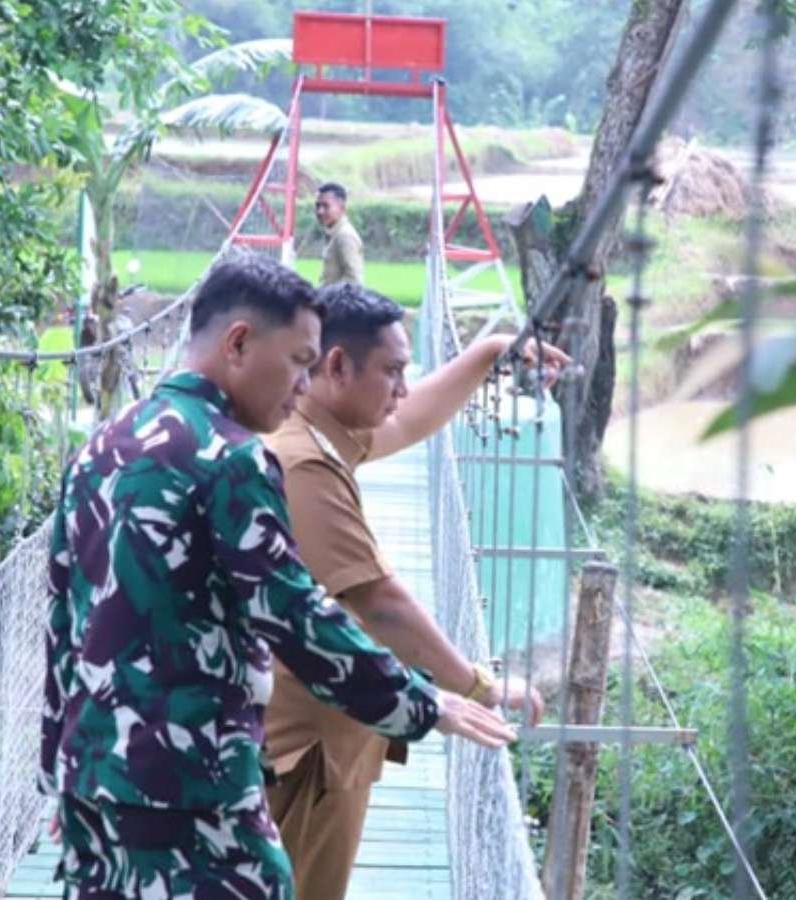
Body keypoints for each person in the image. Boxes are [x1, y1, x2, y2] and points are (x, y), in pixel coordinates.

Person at [38, 255, 516, 900]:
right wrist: (423, 702)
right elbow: (295, 617)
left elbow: (65, 622)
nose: (303, 386)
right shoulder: (233, 457)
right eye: (297, 362)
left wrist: (58, 769)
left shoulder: (104, 444)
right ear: (238, 343)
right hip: (194, 784)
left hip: (92, 778)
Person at [264, 283, 569, 899]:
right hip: (308, 753)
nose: (403, 388)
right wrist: (477, 686)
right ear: (337, 366)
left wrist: (492, 352)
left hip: (325, 732)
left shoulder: (318, 431)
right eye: (393, 371)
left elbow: (407, 419)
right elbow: (381, 602)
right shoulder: (305, 463)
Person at [315, 182, 364, 288]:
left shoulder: (345, 236)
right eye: (318, 206)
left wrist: (330, 297)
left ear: (342, 208)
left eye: (326, 206)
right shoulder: (334, 233)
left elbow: (354, 280)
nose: (320, 211)